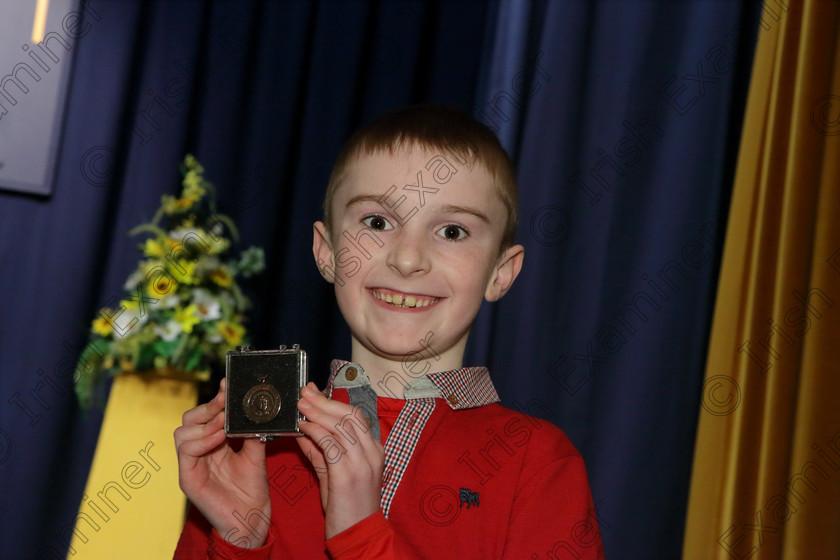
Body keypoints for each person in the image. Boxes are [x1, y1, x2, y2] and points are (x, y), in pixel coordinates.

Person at [173, 104, 605, 559]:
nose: (407, 257)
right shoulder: (257, 448)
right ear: (327, 252)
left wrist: (361, 534)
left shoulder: (536, 461)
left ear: (501, 271)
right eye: (377, 222)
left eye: (453, 231)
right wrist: (242, 542)